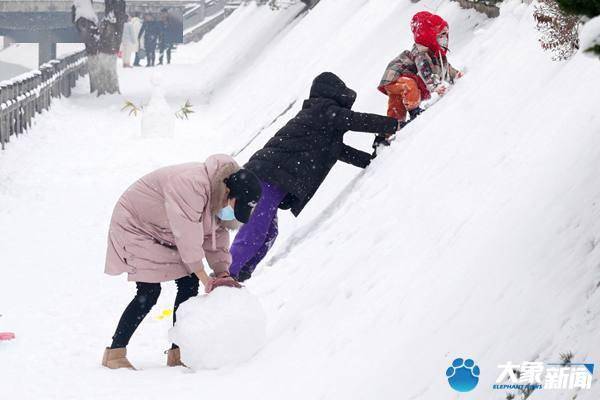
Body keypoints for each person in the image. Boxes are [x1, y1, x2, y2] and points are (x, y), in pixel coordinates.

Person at [228, 72, 399, 282]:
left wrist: (373, 160)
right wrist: (395, 124)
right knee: (256, 229)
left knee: (268, 232)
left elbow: (341, 152)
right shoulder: (321, 110)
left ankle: (240, 275)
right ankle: (227, 275)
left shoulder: (323, 126)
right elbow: (357, 121)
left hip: (268, 177)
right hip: (265, 177)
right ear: (333, 93)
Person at [102, 154, 262, 370]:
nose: (233, 212)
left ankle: (179, 352)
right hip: (137, 225)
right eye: (236, 206)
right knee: (148, 292)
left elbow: (216, 237)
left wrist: (222, 272)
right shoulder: (192, 185)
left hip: (167, 232)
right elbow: (187, 235)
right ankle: (115, 353)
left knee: (188, 284)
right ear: (228, 192)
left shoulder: (221, 197)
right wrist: (207, 278)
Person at [375, 11, 463, 150]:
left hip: (399, 83)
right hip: (396, 76)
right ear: (429, 36)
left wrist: (456, 75)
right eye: (440, 35)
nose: (444, 38)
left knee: (397, 107)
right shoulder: (420, 53)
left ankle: (385, 135)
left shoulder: (437, 55)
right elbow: (425, 70)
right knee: (409, 85)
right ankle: (414, 111)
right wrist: (435, 85)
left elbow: (445, 69)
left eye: (446, 35)